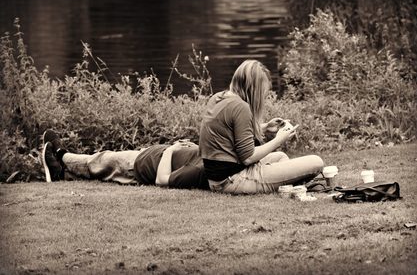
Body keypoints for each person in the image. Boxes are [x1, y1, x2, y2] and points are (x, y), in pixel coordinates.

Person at [199, 59, 324, 194]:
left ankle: (285, 184)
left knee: (280, 157)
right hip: (233, 179)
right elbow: (248, 157)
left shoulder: (219, 97)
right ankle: (284, 184)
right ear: (253, 88)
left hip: (217, 178)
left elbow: (229, 132)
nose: (265, 95)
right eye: (263, 90)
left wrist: (264, 127)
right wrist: (279, 139)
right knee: (316, 162)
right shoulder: (241, 107)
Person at [41, 130, 209, 190]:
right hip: (148, 156)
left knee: (100, 160)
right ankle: (61, 174)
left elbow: (161, 180)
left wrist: (172, 149)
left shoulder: (200, 170)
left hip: (138, 166)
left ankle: (62, 155)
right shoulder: (215, 156)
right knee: (102, 164)